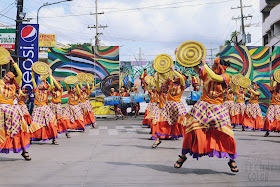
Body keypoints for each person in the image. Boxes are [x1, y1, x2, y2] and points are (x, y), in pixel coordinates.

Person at [174, 58, 238, 173]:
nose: (212, 66)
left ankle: (231, 159)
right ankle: (183, 156)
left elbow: (215, 77)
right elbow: (194, 66)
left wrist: (204, 64)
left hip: (218, 108)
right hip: (202, 107)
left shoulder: (226, 77)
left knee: (227, 133)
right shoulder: (206, 73)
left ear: (221, 67)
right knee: (191, 130)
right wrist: (184, 55)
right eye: (212, 65)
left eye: (215, 65)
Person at [0, 57, 31, 160]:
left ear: (12, 80)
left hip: (12, 111)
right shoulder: (0, 83)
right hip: (1, 110)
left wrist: (14, 63)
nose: (6, 78)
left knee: (19, 130)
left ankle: (24, 151)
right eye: (5, 76)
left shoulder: (14, 86)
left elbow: (20, 75)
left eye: (8, 77)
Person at [151, 67, 186, 148]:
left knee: (180, 124)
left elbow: (181, 77)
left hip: (177, 107)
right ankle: (157, 139)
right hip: (168, 106)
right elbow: (164, 76)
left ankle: (187, 143)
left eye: (177, 76)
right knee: (160, 121)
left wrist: (174, 70)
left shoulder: (182, 85)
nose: (175, 77)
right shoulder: (171, 83)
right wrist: (156, 68)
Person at [29, 71, 59, 145]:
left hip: (45, 109)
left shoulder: (46, 92)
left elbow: (52, 84)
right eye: (40, 83)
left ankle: (53, 139)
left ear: (45, 86)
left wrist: (50, 75)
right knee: (35, 124)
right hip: (37, 109)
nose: (40, 84)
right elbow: (33, 80)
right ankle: (31, 138)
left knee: (50, 123)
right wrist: (33, 72)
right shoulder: (36, 91)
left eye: (42, 83)